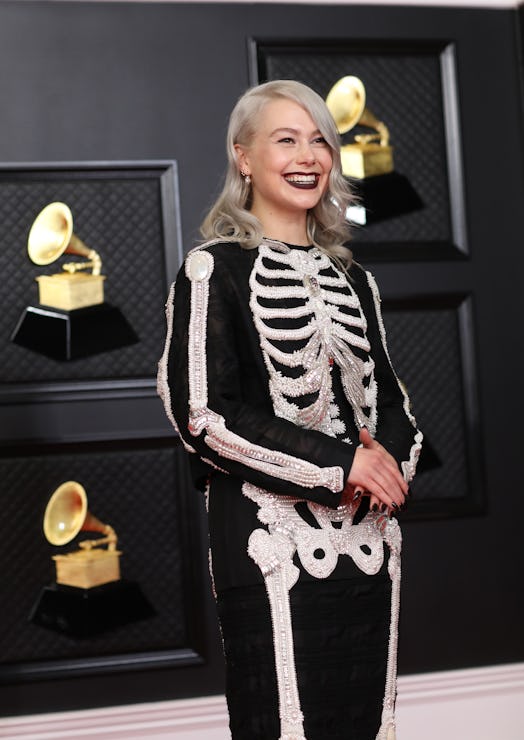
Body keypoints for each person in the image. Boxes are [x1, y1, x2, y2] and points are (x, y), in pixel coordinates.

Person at [158, 79, 423, 740]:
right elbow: (205, 416)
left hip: (367, 543)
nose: (308, 156)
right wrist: (343, 466)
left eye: (319, 141)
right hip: (269, 543)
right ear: (244, 157)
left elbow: (393, 406)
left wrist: (388, 468)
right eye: (286, 140)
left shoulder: (354, 279)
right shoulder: (211, 270)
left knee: (367, 724)